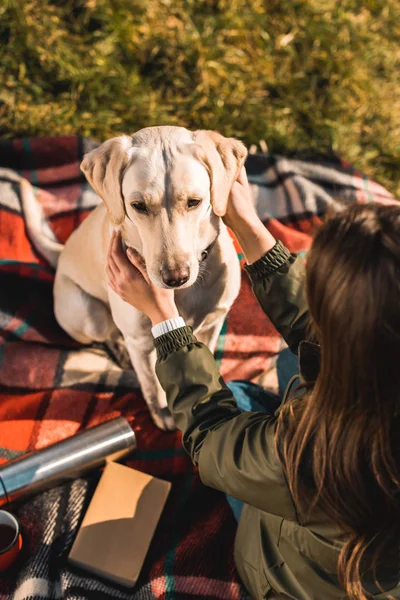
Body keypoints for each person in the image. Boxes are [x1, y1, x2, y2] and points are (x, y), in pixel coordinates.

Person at [106, 167, 400, 600]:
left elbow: (209, 435)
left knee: (237, 397)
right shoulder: (379, 356)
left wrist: (164, 319)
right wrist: (249, 228)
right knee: (293, 358)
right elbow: (328, 332)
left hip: (297, 573)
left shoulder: (313, 459)